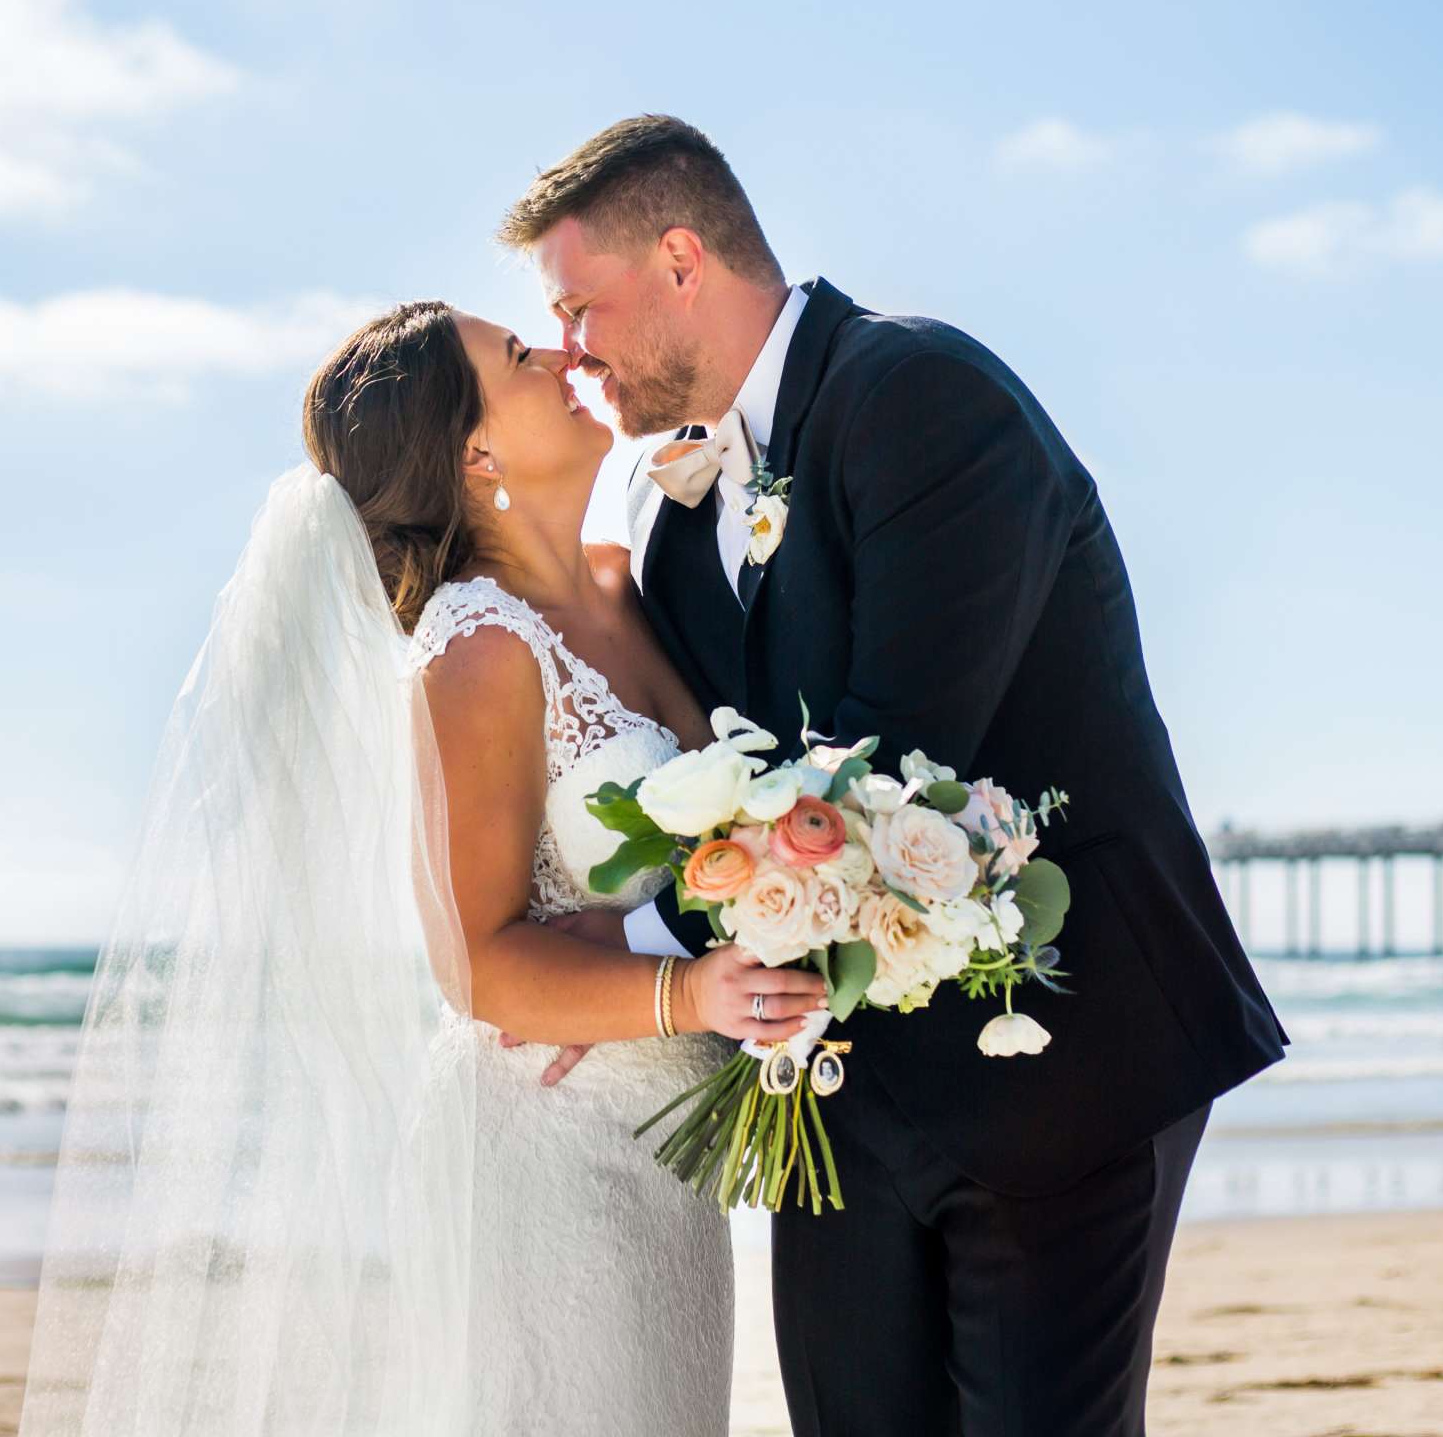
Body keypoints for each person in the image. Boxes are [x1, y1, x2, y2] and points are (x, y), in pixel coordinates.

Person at [498, 115, 1290, 1437]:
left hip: (1065, 1054)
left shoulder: (923, 396)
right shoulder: (670, 506)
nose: (570, 351)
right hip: (843, 1094)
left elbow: (889, 770)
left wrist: (632, 956)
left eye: (581, 308)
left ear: (683, 260)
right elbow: (709, 764)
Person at [21, 298, 821, 1437]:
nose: (561, 356)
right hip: (551, 1162)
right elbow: (476, 964)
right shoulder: (480, 649)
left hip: (669, 1165)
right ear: (476, 453)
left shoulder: (627, 570)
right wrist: (688, 990)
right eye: (518, 357)